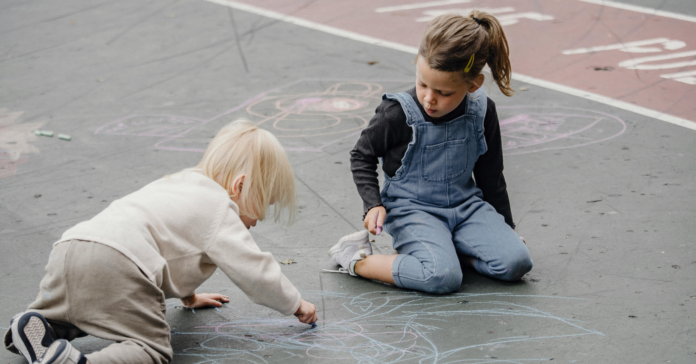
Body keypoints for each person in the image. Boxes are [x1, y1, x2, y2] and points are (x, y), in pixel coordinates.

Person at [5, 120, 318, 364]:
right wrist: (295, 303)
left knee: (89, 310)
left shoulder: (180, 183)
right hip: (120, 263)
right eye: (263, 206)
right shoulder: (221, 208)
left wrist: (189, 296)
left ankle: (40, 324)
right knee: (151, 349)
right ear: (240, 186)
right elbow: (254, 271)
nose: (259, 219)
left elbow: (171, 244)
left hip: (72, 247)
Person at [330, 11, 533, 293]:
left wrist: (506, 227)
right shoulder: (397, 113)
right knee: (441, 277)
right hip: (412, 210)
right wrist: (373, 203)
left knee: (516, 263)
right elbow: (362, 155)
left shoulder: (482, 111)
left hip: (465, 207)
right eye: (422, 83)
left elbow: (491, 175)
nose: (429, 98)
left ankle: (450, 251)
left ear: (472, 85)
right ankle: (355, 258)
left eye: (443, 92)